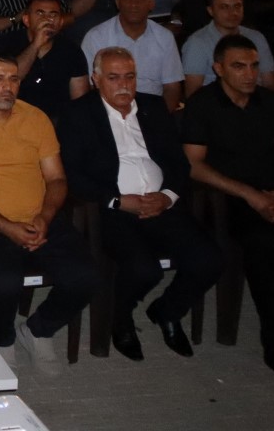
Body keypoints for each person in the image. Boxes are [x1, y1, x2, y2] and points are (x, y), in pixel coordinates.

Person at [59, 49, 221, 361]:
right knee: (144, 269)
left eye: (129, 76)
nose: (123, 84)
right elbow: (71, 174)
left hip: (161, 204)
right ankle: (120, 318)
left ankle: (167, 310)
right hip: (111, 210)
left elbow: (178, 162)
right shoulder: (78, 114)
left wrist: (168, 196)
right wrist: (118, 200)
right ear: (96, 80)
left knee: (209, 260)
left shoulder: (153, 106)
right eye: (113, 77)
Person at [0, 55, 98, 373]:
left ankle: (37, 329)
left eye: (13, 79)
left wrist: (45, 217)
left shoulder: (35, 118)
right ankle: (1, 338)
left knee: (87, 275)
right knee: (2, 282)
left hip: (41, 217)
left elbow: (56, 179)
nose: (8, 86)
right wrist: (8, 227)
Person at [181, 34, 274, 377]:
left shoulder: (269, 102)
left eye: (254, 66)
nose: (250, 74)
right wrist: (250, 195)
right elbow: (194, 165)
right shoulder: (202, 105)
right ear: (219, 68)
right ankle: (273, 331)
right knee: (259, 244)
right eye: (239, 66)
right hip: (229, 200)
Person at [80, 0, 185, 111]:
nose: (133, 5)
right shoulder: (96, 37)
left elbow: (172, 87)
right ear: (117, 2)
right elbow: (90, 86)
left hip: (153, 111)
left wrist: (160, 119)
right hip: (110, 111)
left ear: (151, 3)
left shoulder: (164, 37)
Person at [0, 0, 90, 121]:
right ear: (26, 20)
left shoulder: (71, 50)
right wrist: (36, 44)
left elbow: (80, 100)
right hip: (11, 118)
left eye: (53, 14)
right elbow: (6, 81)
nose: (47, 19)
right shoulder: (4, 44)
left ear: (61, 22)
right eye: (40, 14)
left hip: (56, 122)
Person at [181, 0, 274, 94]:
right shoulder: (197, 43)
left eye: (237, 6)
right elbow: (193, 93)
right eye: (224, 7)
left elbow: (269, 83)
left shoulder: (257, 37)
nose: (233, 13)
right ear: (210, 10)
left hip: (256, 102)